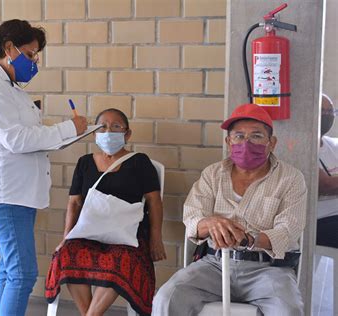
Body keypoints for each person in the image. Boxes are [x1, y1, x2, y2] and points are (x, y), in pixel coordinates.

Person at [0, 19, 87, 316]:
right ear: (9, 48)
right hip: (6, 191)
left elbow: (25, 139)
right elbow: (16, 139)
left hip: (19, 191)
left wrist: (65, 134)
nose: (34, 62)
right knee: (23, 273)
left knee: (11, 269)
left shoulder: (7, 86)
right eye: (31, 54)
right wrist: (67, 128)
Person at [153, 103, 307, 316]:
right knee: (167, 298)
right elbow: (192, 217)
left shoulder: (291, 178)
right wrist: (212, 223)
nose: (246, 142)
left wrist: (249, 240)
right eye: (238, 136)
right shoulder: (213, 174)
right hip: (213, 265)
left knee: (288, 309)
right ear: (228, 141)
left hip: (268, 269)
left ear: (271, 143)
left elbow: (289, 229)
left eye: (256, 136)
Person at [45, 108, 167, 316]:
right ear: (94, 133)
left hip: (127, 236)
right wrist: (66, 237)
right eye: (103, 127)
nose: (109, 131)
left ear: (127, 134)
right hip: (89, 232)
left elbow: (154, 201)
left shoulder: (139, 162)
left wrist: (156, 238)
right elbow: (74, 203)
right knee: (66, 254)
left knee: (120, 262)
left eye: (116, 126)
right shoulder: (84, 163)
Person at [317, 94, 338, 248]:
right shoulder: (300, 148)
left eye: (330, 112)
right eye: (322, 111)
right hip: (321, 222)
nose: (327, 116)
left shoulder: (333, 145)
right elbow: (325, 185)